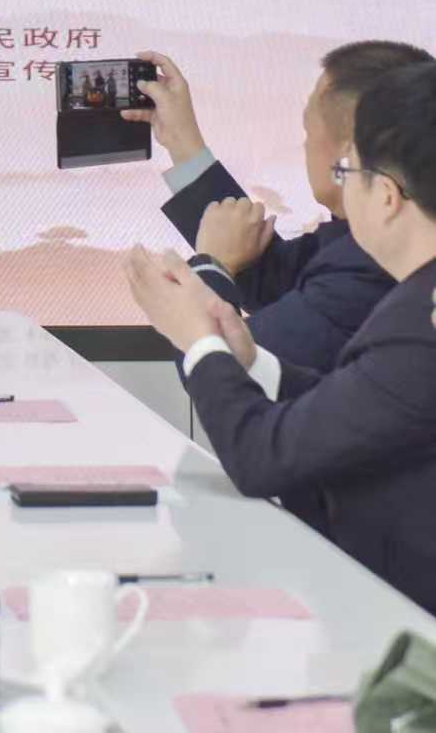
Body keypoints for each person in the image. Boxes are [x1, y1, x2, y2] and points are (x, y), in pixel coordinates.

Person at [125, 60, 436, 614]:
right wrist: (252, 361)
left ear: (388, 196)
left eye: (348, 172)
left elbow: (264, 454)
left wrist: (201, 335)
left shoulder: (416, 326)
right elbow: (351, 404)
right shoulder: (408, 300)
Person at [127, 41, 431, 369]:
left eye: (308, 132)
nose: (306, 146)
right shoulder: (367, 241)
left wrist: (211, 267)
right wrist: (180, 138)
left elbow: (235, 374)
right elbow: (277, 280)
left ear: (348, 153)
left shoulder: (363, 274)